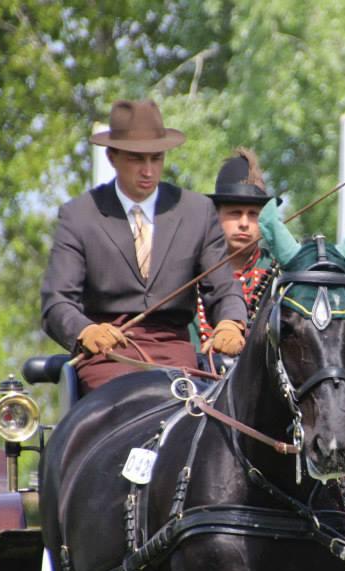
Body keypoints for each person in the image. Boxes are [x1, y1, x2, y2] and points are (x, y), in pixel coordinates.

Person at [41, 99, 247, 393]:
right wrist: (84, 330)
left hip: (176, 358)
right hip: (105, 358)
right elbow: (57, 301)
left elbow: (224, 288)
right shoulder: (80, 215)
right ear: (112, 156)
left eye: (156, 158)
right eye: (137, 159)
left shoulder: (197, 212)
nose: (148, 170)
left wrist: (230, 322)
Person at [195, 148, 277, 346]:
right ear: (215, 216)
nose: (244, 223)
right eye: (234, 212)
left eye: (253, 215)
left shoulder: (279, 274)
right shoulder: (190, 268)